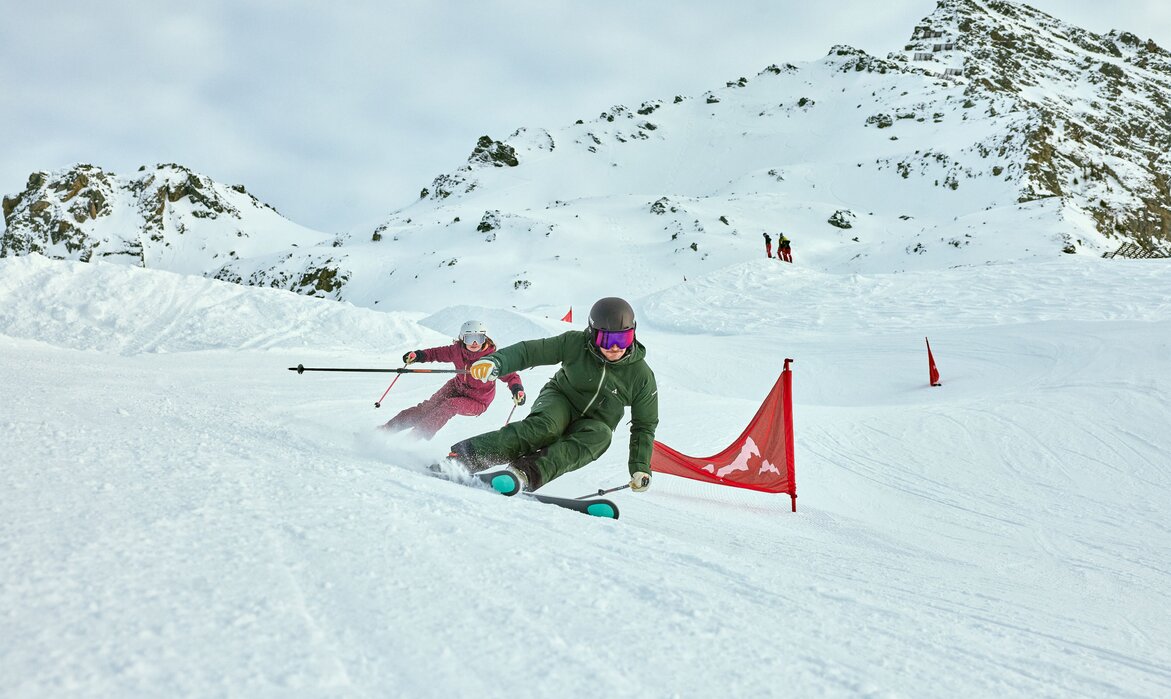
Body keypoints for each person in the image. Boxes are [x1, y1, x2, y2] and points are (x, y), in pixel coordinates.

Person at [445, 297, 658, 494]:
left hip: (596, 421)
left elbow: (644, 425)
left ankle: (524, 474)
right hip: (561, 398)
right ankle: (465, 456)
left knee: (601, 436)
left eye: (623, 338)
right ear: (593, 333)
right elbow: (531, 351)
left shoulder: (641, 376)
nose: (614, 347)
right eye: (606, 339)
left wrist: (640, 467)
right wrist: (497, 361)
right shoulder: (575, 343)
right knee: (546, 428)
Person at [380, 320, 525, 440]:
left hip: (478, 401)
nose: (474, 343)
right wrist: (418, 355)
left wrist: (517, 390)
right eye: (469, 338)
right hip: (457, 387)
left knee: (450, 405)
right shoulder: (456, 351)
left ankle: (412, 440)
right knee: (427, 408)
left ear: (485, 339)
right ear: (462, 338)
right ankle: (385, 430)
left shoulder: (493, 358)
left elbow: (511, 376)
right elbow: (436, 353)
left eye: (479, 338)